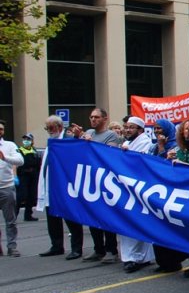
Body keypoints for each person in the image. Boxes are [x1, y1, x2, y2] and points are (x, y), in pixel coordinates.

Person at [36, 115, 84, 260]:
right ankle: (56, 246)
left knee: (71, 219)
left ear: (59, 127)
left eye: (51, 128)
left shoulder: (67, 141)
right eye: (47, 128)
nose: (49, 131)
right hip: (50, 186)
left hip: (64, 187)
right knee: (52, 218)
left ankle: (76, 248)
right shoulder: (51, 142)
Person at [81, 107, 122, 263]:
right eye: (91, 117)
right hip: (90, 181)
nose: (93, 120)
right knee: (92, 217)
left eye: (96, 117)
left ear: (105, 119)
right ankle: (98, 249)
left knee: (106, 217)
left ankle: (111, 250)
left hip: (104, 182)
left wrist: (91, 144)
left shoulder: (111, 135)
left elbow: (109, 154)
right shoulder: (89, 133)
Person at [118, 117, 156, 273]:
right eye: (126, 127)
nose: (127, 130)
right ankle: (132, 257)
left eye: (131, 127)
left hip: (139, 189)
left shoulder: (145, 142)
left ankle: (137, 258)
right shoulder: (127, 143)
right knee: (127, 223)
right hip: (126, 189)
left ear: (140, 129)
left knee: (138, 222)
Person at [0, 121, 23, 257]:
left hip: (6, 188)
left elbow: (20, 161)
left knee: (10, 221)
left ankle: (12, 247)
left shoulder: (9, 145)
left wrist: (5, 157)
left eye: (1, 129)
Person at [16, 133, 41, 222]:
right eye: (25, 139)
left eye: (28, 139)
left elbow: (39, 164)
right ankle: (14, 215)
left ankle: (28, 215)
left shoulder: (34, 151)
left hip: (33, 176)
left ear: (32, 141)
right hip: (24, 176)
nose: (26, 141)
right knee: (22, 195)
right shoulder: (19, 151)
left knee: (32, 196)